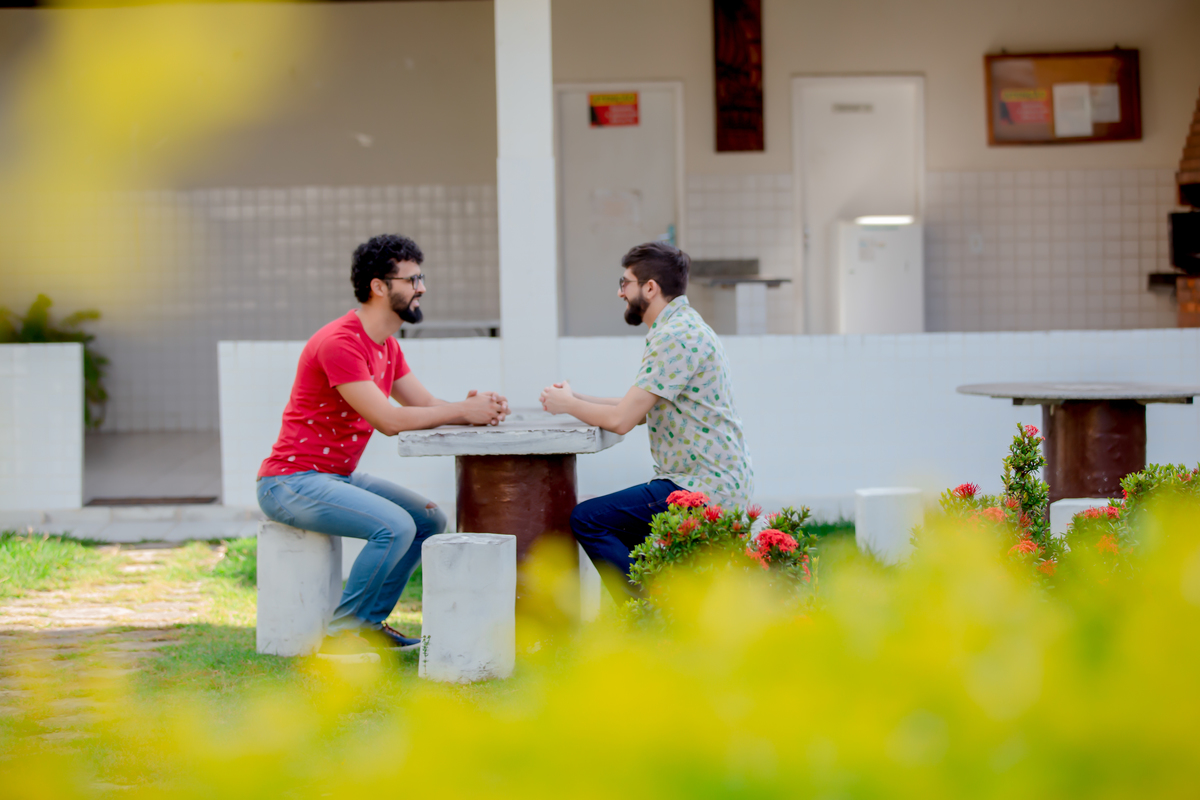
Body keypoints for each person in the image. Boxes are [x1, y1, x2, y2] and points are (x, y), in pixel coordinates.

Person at [256, 234, 508, 655]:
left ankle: (369, 625)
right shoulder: (341, 342)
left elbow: (425, 405)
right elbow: (390, 420)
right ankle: (342, 638)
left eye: (420, 278)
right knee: (394, 527)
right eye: (412, 279)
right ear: (379, 286)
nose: (422, 288)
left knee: (428, 519)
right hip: (289, 481)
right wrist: (462, 412)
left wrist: (474, 407)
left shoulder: (387, 346)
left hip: (335, 477)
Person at [539, 241, 753, 596]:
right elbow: (635, 407)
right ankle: (664, 604)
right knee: (610, 519)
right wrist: (574, 397)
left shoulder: (675, 336)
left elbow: (623, 419)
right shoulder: (683, 327)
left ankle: (648, 612)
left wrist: (567, 405)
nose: (619, 292)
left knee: (588, 519)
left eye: (625, 283)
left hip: (699, 487)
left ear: (649, 287)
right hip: (712, 482)